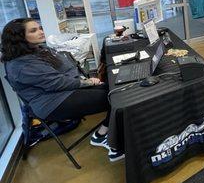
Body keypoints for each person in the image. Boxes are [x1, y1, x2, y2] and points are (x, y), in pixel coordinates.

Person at [1, 18, 123, 162]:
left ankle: (102, 133)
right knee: (116, 98)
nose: (41, 32)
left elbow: (66, 68)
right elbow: (57, 82)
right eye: (33, 30)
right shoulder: (21, 65)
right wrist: (87, 81)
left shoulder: (39, 49)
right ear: (19, 37)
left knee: (117, 90)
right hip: (52, 103)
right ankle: (113, 145)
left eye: (40, 28)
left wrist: (82, 81)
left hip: (64, 90)